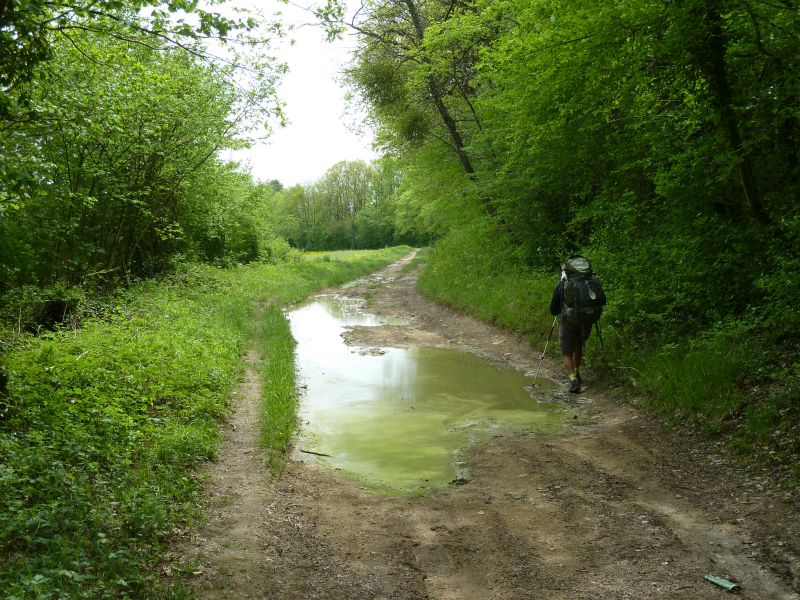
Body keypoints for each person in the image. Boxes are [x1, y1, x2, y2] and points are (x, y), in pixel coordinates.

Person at [549, 261, 606, 393]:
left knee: (566, 351)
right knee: (578, 346)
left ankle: (573, 379)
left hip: (568, 322)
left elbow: (553, 310)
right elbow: (603, 300)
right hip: (586, 321)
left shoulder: (562, 284)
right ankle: (577, 372)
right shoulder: (591, 283)